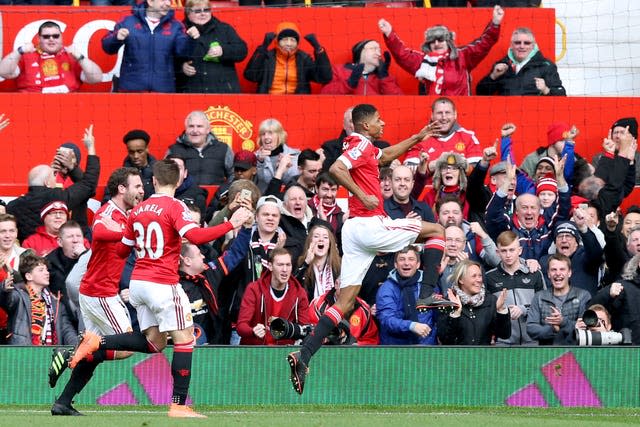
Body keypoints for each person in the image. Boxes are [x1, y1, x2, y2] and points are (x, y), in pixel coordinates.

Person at [68, 160, 253, 418]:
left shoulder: (138, 210)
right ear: (177, 182)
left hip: (138, 284)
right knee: (185, 339)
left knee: (154, 343)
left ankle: (97, 340)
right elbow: (197, 237)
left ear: (153, 181)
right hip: (162, 283)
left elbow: (122, 250)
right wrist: (232, 223)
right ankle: (178, 405)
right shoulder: (175, 206)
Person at [287, 103, 448, 395]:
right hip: (370, 225)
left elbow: (385, 155)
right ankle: (428, 293)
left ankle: (304, 355)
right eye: (378, 120)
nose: (383, 123)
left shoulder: (366, 148)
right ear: (364, 126)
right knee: (437, 230)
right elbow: (336, 167)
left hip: (354, 233)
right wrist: (362, 195)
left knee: (345, 302)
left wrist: (418, 136)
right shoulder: (360, 144)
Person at [48, 167, 144, 416]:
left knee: (95, 354)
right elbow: (99, 231)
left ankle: (63, 403)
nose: (141, 190)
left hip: (97, 291)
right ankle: (71, 353)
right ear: (122, 188)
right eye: (137, 186)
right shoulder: (108, 211)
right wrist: (128, 235)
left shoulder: (126, 213)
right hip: (100, 293)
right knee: (126, 347)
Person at [378, 5, 504, 95]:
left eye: (440, 40)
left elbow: (484, 43)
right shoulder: (423, 60)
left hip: (459, 109)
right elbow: (403, 54)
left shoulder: (463, 56)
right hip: (433, 112)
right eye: (432, 41)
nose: (437, 44)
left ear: (448, 41)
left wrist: (495, 23)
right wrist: (390, 34)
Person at [7, 125, 99, 242]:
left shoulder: (13, 206)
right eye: (61, 156)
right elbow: (88, 184)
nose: (65, 161)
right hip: (57, 246)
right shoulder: (54, 191)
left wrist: (73, 169)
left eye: (70, 157)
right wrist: (91, 147)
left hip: (74, 236)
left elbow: (89, 190)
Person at [219, 195, 286, 345]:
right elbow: (228, 279)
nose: (270, 218)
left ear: (280, 218)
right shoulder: (241, 243)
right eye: (265, 214)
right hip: (242, 323)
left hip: (275, 325)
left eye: (274, 215)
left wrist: (277, 254)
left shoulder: (289, 247)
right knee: (240, 367)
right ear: (256, 216)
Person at [101, 0, 193, 92]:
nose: (168, 3)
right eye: (163, 0)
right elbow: (107, 47)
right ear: (150, 2)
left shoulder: (176, 26)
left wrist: (190, 39)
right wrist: (116, 38)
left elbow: (183, 54)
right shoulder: (128, 21)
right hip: (131, 90)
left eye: (169, 0)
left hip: (163, 91)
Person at [0, 253, 78, 350]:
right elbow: (7, 301)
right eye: (41, 270)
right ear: (28, 276)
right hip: (23, 354)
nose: (47, 273)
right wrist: (5, 290)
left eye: (46, 270)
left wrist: (77, 346)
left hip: (50, 354)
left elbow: (67, 329)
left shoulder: (55, 302)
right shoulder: (19, 296)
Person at [0, 21, 102, 93]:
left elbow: (96, 78)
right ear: (38, 39)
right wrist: (19, 51)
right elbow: (4, 73)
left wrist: (80, 57)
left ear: (61, 37)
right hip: (32, 107)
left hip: (68, 107)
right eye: (46, 36)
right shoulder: (26, 56)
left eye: (56, 36)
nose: (51, 39)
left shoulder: (72, 56)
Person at [237, 248, 310, 345]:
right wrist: (253, 331)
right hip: (256, 351)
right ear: (270, 266)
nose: (285, 269)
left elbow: (305, 329)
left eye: (288, 265)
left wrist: (285, 327)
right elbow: (241, 326)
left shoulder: (299, 293)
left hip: (283, 353)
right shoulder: (254, 289)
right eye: (280, 265)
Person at [485, 231, 546, 345]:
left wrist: (523, 309)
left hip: (532, 341)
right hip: (502, 343)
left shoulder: (534, 273)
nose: (508, 255)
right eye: (504, 251)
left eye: (512, 250)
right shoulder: (489, 277)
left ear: (520, 250)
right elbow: (486, 311)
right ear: (497, 252)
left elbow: (545, 305)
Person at [176, 0, 247, 93]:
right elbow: (168, 58)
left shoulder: (224, 28)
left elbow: (242, 50)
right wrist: (181, 67)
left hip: (223, 91)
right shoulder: (179, 30)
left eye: (206, 10)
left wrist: (223, 50)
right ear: (188, 13)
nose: (203, 14)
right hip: (191, 91)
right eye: (197, 11)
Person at [244, 22, 332, 94]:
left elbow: (324, 78)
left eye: (293, 40)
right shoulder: (268, 57)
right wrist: (263, 48)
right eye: (285, 40)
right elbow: (251, 76)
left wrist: (319, 50)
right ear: (277, 41)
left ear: (297, 43)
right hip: (268, 101)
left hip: (298, 104)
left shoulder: (304, 59)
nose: (289, 44)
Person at [438, 259, 511, 345]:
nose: (479, 280)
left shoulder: (491, 300)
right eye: (474, 276)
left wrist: (501, 311)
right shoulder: (448, 302)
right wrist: (455, 314)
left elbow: (504, 335)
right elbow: (445, 340)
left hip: (483, 356)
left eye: (480, 276)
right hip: (458, 356)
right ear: (461, 280)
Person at [476, 27, 566, 96]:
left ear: (533, 46)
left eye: (527, 43)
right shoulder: (501, 65)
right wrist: (493, 76)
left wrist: (546, 90)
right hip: (505, 116)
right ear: (511, 45)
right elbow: (480, 93)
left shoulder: (545, 65)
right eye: (517, 42)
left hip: (533, 116)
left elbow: (561, 95)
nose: (522, 46)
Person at [376, 246, 438, 345]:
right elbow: (386, 319)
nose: (406, 263)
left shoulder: (428, 285)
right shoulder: (387, 288)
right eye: (402, 259)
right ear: (395, 264)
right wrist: (411, 326)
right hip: (396, 349)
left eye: (411, 259)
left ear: (418, 264)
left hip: (425, 347)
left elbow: (437, 316)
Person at [403, 97, 482, 173]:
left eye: (447, 112)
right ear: (432, 116)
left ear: (455, 115)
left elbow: (478, 174)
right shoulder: (419, 140)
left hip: (461, 187)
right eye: (439, 113)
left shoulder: (468, 137)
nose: (444, 117)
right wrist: (433, 165)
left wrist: (462, 165)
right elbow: (408, 172)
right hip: (428, 186)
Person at [526, 254, 591, 345]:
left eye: (562, 269)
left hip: (575, 352)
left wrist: (563, 322)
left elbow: (584, 327)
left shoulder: (583, 296)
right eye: (553, 270)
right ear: (548, 274)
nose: (558, 273)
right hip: (546, 354)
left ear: (569, 273)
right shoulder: (539, 297)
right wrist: (554, 329)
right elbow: (531, 328)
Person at [167, 111, 233, 185]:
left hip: (216, 196)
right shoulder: (174, 150)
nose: (195, 130)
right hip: (182, 196)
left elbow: (233, 175)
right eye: (191, 126)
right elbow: (165, 177)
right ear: (186, 129)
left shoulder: (223, 149)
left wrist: (224, 192)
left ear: (208, 129)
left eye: (199, 126)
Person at [541, 220, 604, 297]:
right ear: (555, 243)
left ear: (576, 242)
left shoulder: (586, 258)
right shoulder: (545, 262)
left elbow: (596, 253)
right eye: (560, 236)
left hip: (583, 307)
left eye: (568, 236)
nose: (564, 240)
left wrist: (584, 230)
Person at [320, 106, 390, 173]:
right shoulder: (330, 148)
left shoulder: (383, 147)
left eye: (359, 122)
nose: (356, 125)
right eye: (352, 121)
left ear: (366, 125)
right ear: (344, 125)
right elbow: (330, 174)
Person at [321, 39, 401, 95]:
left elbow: (399, 100)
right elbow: (324, 93)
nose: (379, 54)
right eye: (373, 49)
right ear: (360, 51)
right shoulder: (339, 70)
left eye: (379, 50)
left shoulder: (386, 77)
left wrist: (384, 78)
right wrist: (349, 83)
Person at [254, 118, 300, 193]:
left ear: (280, 135)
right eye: (263, 134)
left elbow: (295, 181)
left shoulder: (295, 155)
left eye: (270, 133)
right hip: (265, 200)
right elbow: (259, 182)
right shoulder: (255, 157)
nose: (266, 137)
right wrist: (260, 162)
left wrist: (283, 168)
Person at [592, 117, 640, 185]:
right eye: (615, 132)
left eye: (622, 132)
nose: (617, 136)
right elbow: (596, 184)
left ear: (633, 137)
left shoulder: (638, 158)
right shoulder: (600, 158)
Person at [122, 129, 156, 199]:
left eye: (140, 151)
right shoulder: (121, 175)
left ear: (147, 149)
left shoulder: (159, 172)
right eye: (131, 152)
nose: (135, 156)